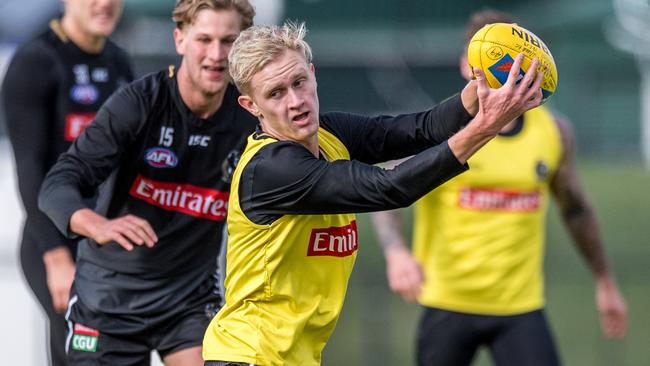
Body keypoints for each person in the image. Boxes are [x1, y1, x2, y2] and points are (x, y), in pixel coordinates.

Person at [202, 21, 545, 365]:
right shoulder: (273, 169)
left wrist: (479, 90)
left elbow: (419, 129)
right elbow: (389, 188)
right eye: (275, 93)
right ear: (251, 106)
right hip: (248, 355)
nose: (295, 101)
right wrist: (486, 126)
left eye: (298, 82)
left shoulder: (331, 134)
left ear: (312, 73)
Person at [371, 9, 628, 366]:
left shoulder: (553, 133)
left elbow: (576, 209)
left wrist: (605, 282)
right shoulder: (436, 131)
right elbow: (388, 190)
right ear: (466, 66)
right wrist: (396, 252)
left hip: (519, 307)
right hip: (447, 303)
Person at [37, 1, 257, 365]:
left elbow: (320, 139)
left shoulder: (251, 113)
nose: (216, 55)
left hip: (189, 301)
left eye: (228, 40)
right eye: (204, 39)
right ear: (180, 39)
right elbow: (58, 183)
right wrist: (98, 225)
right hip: (109, 303)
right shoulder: (138, 103)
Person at [2, 1, 133, 365]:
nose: (104, 4)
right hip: (55, 241)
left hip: (106, 241)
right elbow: (30, 168)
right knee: (82, 352)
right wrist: (56, 257)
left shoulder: (119, 62)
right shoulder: (37, 61)